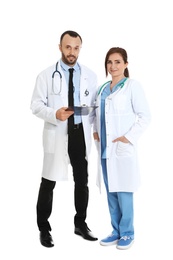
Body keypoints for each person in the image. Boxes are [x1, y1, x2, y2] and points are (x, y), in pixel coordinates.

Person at [30, 30, 98, 248]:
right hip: (57, 132)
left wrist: (95, 128)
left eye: (76, 48)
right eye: (68, 47)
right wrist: (54, 114)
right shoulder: (46, 75)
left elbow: (93, 108)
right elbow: (36, 105)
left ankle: (81, 223)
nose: (72, 52)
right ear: (60, 47)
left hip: (80, 133)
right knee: (48, 181)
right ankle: (44, 228)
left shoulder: (90, 75)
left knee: (82, 181)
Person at [93, 47, 151, 250]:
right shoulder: (102, 88)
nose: (113, 66)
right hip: (104, 149)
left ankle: (127, 233)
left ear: (126, 64)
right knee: (111, 192)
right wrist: (94, 130)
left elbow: (145, 116)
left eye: (117, 62)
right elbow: (96, 114)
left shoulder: (132, 86)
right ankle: (115, 231)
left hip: (121, 148)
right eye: (109, 62)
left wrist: (129, 137)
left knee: (124, 191)